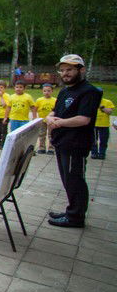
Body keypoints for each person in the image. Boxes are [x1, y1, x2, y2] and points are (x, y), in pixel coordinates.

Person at [46, 54, 102, 228]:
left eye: (69, 69)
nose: (65, 73)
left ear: (81, 69)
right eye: (62, 70)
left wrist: (59, 123)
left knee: (74, 179)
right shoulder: (64, 91)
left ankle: (76, 217)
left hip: (75, 143)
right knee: (67, 179)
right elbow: (56, 111)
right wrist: (50, 118)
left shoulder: (89, 91)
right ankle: (72, 210)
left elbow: (84, 119)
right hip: (62, 142)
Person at [35, 83, 57, 155]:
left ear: (52, 91)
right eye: (45, 91)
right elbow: (35, 109)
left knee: (51, 134)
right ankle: (41, 148)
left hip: (51, 121)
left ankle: (51, 148)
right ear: (42, 91)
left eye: (48, 91)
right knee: (41, 134)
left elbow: (56, 110)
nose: (46, 92)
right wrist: (35, 117)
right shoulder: (39, 100)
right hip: (42, 120)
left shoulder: (55, 100)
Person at [92, 95, 113, 159]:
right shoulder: (91, 101)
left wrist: (102, 107)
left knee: (104, 140)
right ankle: (94, 153)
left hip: (104, 125)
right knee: (93, 140)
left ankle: (102, 153)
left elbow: (110, 112)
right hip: (94, 124)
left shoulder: (107, 102)